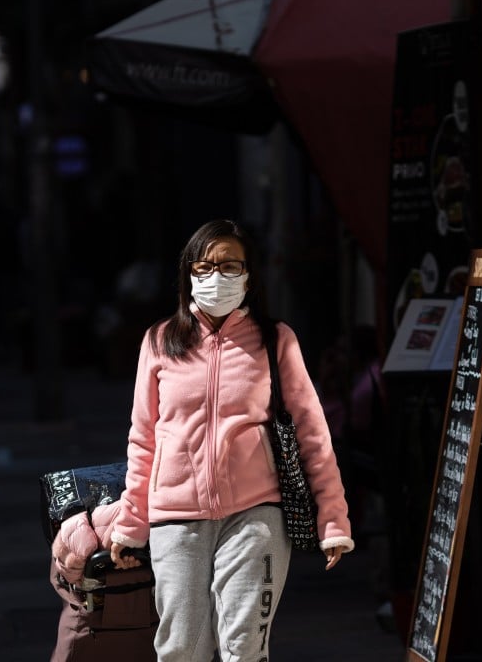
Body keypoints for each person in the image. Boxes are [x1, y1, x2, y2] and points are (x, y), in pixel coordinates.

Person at [107, 218, 354, 660]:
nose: (215, 278)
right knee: (181, 648)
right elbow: (143, 438)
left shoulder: (276, 340)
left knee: (244, 647)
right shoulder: (160, 341)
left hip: (256, 514)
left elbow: (312, 434)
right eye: (203, 268)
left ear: (249, 275)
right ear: (187, 275)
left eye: (229, 267)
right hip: (174, 519)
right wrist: (131, 522)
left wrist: (333, 519)